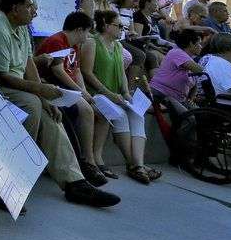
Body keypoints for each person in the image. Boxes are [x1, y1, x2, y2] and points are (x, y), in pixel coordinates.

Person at [0, 0, 120, 207]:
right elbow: (1, 76)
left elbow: (28, 64)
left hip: (20, 86)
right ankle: (7, 180)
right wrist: (38, 92)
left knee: (52, 113)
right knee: (32, 104)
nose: (34, 12)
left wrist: (44, 95)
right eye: (29, 7)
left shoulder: (22, 27)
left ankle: (74, 182)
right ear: (14, 8)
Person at [81, 10, 160, 184]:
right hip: (96, 93)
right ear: (106, 25)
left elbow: (122, 74)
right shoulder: (92, 43)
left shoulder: (117, 46)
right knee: (120, 115)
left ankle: (138, 164)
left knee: (137, 115)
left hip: (115, 94)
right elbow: (86, 73)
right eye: (118, 26)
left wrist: (125, 92)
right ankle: (133, 165)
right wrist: (109, 93)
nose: (122, 29)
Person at [34, 12, 108, 186]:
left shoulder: (74, 46)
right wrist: (81, 93)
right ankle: (88, 161)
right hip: (53, 85)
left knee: (99, 112)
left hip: (68, 88)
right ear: (79, 29)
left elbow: (76, 71)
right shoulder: (57, 41)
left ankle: (92, 158)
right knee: (86, 110)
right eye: (87, 32)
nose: (88, 36)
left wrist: (83, 90)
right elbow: (58, 71)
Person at [149, 29, 206, 103]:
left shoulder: (190, 60)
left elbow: (195, 82)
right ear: (191, 43)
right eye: (199, 44)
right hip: (161, 93)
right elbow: (200, 71)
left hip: (176, 99)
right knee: (190, 114)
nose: (201, 47)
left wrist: (191, 98)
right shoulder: (177, 53)